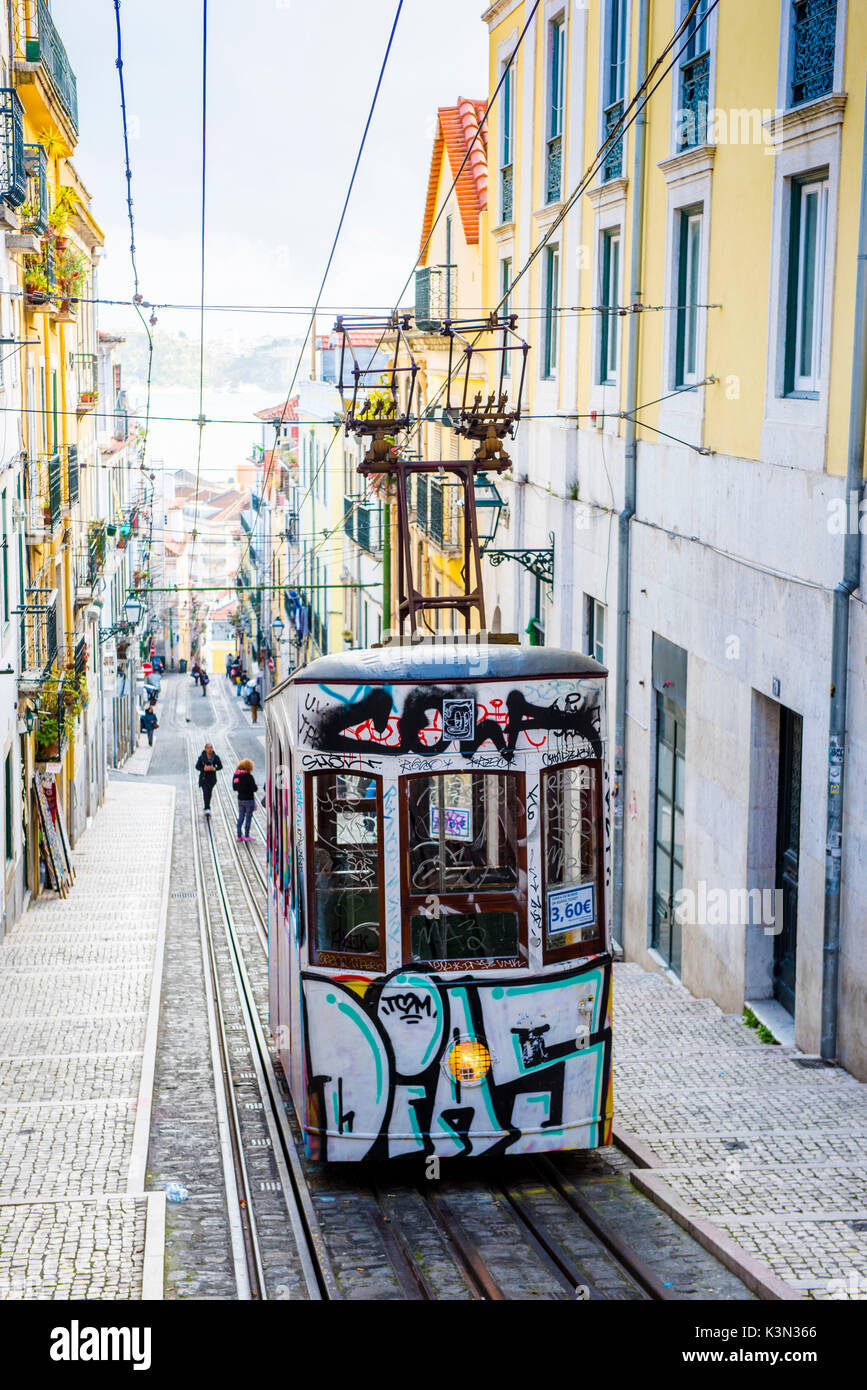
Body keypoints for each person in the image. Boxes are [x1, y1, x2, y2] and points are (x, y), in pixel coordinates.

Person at [232, 758, 257, 840]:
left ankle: (239, 835)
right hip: (249, 800)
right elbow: (255, 788)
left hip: (240, 799)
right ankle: (246, 835)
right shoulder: (249, 776)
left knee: (241, 817)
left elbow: (234, 788)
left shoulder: (236, 775)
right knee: (248, 818)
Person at [196, 743, 222, 814]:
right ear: (205, 749)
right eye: (208, 748)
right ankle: (207, 808)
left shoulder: (215, 757)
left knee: (209, 793)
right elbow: (197, 767)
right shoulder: (201, 757)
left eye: (211, 748)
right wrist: (204, 769)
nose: (210, 749)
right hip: (204, 778)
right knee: (205, 792)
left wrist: (213, 768)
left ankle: (207, 806)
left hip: (212, 779)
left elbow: (220, 766)